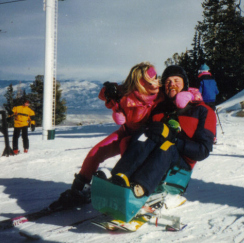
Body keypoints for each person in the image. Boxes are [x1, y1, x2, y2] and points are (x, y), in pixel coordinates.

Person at [50, 62, 202, 209]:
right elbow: (105, 94)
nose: (157, 82)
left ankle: (128, 187)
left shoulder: (160, 93)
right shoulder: (128, 93)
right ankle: (78, 189)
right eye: (152, 79)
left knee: (129, 151)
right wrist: (108, 91)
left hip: (145, 137)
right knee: (96, 152)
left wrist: (189, 96)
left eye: (156, 77)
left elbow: (192, 91)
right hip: (126, 132)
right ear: (141, 83)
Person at [109, 65, 216, 198]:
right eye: (168, 82)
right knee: (144, 135)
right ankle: (120, 176)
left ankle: (139, 189)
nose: (172, 85)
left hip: (180, 166)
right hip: (155, 159)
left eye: (177, 81)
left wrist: (174, 139)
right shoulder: (159, 109)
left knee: (167, 147)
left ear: (185, 84)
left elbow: (203, 150)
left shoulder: (202, 110)